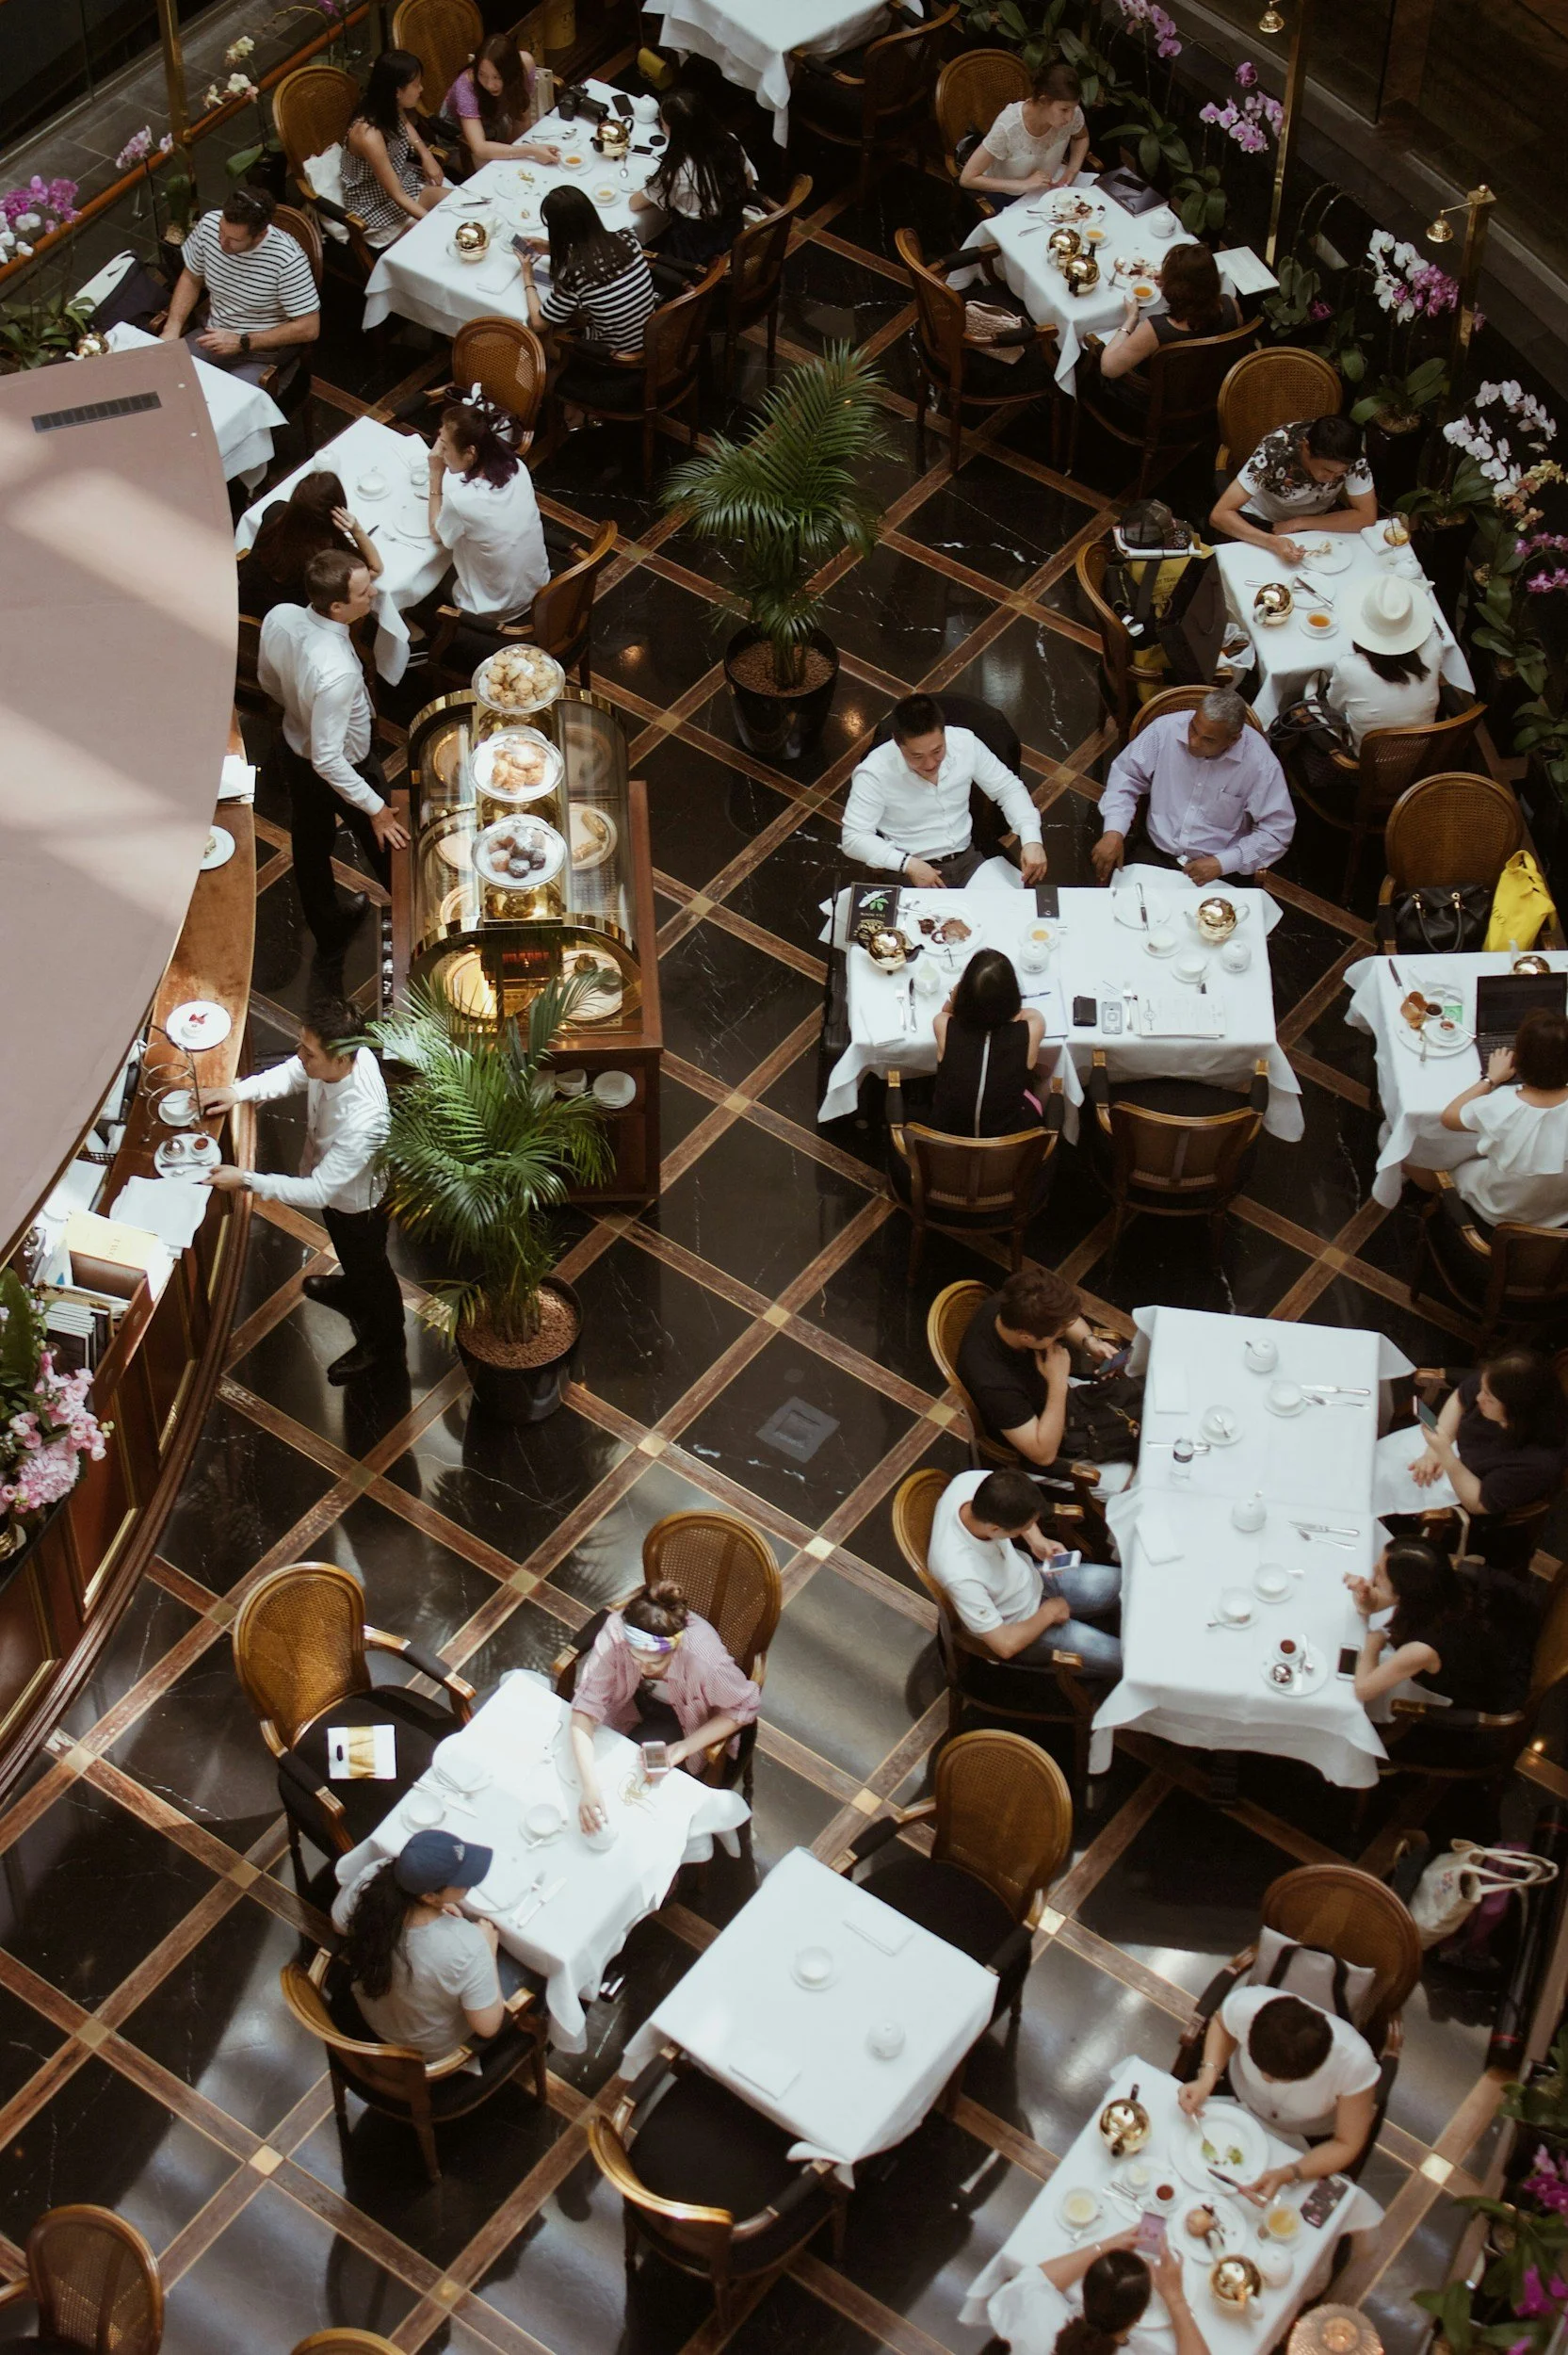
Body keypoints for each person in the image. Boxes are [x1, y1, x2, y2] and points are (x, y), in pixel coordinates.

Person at [204, 996, 405, 1384]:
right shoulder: (333, 1060)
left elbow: (317, 1192)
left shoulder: (364, 1121)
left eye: (308, 1052)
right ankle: (352, 1289)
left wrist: (245, 1179)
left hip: (358, 1205)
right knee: (352, 1256)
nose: (300, 1056)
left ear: (342, 1058)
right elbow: (293, 1073)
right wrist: (237, 1092)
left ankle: (385, 1340)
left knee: (371, 1266)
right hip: (335, 1192)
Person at [257, 550, 411, 955]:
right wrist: (374, 807)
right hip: (349, 766)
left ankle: (329, 929)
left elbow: (268, 681)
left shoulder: (280, 616)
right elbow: (329, 759)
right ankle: (416, 927)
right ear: (337, 606)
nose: (373, 594)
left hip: (295, 750)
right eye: (363, 592)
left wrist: (299, 710)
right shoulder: (338, 671)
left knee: (309, 846)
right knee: (391, 849)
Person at [568, 1581, 761, 1835]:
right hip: (628, 1703)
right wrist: (589, 1787)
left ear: (675, 1648)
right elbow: (585, 1707)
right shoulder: (617, 1633)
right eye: (634, 1658)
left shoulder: (704, 1661)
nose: (642, 1668)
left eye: (655, 1662)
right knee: (597, 1772)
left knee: (643, 1799)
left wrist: (684, 1747)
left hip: (688, 1720)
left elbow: (743, 1707)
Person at [331, 1831, 518, 2064]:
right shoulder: (466, 1945)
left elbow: (339, 1925)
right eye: (462, 1882)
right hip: (422, 2052)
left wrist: (437, 1907)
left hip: (371, 2012)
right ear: (428, 1896)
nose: (468, 1883)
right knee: (517, 1970)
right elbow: (487, 2027)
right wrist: (488, 1952)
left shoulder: (375, 1875)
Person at [1177, 1988, 1379, 2195]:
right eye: (1260, 2068)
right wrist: (1206, 2078)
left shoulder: (1353, 2064)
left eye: (1278, 2078)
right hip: (1238, 2103)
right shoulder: (1249, 2006)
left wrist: (1289, 2173)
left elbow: (1346, 2143)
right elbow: (1222, 2025)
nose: (1266, 2079)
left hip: (1301, 2138)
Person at [929, 1467, 1122, 1675]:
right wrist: (1048, 1613)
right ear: (995, 1529)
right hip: (1022, 1626)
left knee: (1130, 1583)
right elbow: (1004, 1645)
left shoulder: (974, 1483)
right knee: (1124, 1658)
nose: (1027, 1529)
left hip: (1034, 1578)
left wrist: (1037, 1540)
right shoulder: (960, 1574)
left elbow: (1017, 1507)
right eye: (1023, 1528)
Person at [1093, 688, 1295, 885]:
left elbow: (1277, 832)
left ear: (1233, 739)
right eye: (1193, 728)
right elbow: (1126, 774)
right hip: (1155, 850)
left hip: (1217, 868)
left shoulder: (1261, 764)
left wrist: (1224, 863)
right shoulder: (1164, 730)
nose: (1193, 742)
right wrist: (1114, 831)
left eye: (1208, 739)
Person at [843, 693, 1048, 885]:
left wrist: (1031, 838)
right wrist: (908, 864)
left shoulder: (965, 742)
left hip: (970, 859)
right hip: (911, 870)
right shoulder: (873, 772)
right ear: (898, 743)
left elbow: (1007, 788)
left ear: (944, 733)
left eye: (937, 750)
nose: (931, 763)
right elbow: (854, 838)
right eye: (917, 756)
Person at [955, 1268, 1119, 1469]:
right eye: (1057, 1335)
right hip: (1034, 1439)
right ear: (1027, 1338)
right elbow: (1043, 1455)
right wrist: (1057, 1382)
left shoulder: (1017, 1303)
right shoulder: (994, 1385)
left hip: (1052, 1397)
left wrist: (1090, 1342)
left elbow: (1067, 1320)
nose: (1061, 1335)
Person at [159, 185, 319, 383]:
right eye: (221, 232)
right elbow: (192, 278)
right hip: (212, 336)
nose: (222, 243)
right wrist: (173, 327)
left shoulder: (287, 261)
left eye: (234, 240)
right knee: (161, 379)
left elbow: (309, 327)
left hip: (261, 356)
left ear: (259, 235)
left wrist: (243, 341)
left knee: (217, 407)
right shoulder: (209, 224)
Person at [519, 187, 660, 412]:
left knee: (543, 338)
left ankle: (567, 406)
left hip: (616, 359)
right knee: (575, 313)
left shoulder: (575, 275)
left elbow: (538, 323)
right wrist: (551, 249)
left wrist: (528, 277)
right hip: (650, 337)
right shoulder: (628, 238)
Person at [1345, 1537, 1523, 1713]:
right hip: (1497, 1654)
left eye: (1380, 1574)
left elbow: (1363, 1690)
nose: (1373, 1575)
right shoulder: (1440, 1586)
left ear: (1406, 1589)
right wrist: (1364, 1595)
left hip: (1476, 1699)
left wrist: (1374, 1642)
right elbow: (1374, 1604)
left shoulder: (1424, 1647)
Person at [1433, 1011, 1568, 1228]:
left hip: (1500, 1212)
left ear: (1518, 1059)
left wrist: (1491, 1078)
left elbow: (1449, 1117)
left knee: (1441, 1157)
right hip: (1560, 1214)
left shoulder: (1502, 1105)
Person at [1402, 1352, 1568, 1526]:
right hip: (1450, 1445)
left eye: (1489, 1398)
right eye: (1482, 1388)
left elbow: (1478, 1503)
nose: (1479, 1397)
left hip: (1468, 1486)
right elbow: (1460, 1397)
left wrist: (1446, 1456)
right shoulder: (1496, 1381)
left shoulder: (1537, 1463)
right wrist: (1433, 1452)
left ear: (1515, 1412)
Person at [425, 399, 549, 624]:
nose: (439, 452)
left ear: (470, 452)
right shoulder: (517, 468)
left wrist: (435, 476)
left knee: (425, 577)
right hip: (538, 587)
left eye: (444, 446)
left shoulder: (464, 501)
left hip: (495, 607)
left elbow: (436, 534)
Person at [985, 2233, 1212, 2355]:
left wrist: (1106, 2246)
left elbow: (1035, 2278)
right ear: (1139, 2316)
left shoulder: (1039, 2311)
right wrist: (1175, 2297)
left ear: (1084, 2291)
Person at [1210, 414, 1377, 561]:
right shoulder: (1275, 450)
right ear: (1306, 448)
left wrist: (1300, 523)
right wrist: (1272, 542)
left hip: (1315, 520)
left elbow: (1367, 516)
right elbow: (1219, 515)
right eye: (1327, 470)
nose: (1333, 479)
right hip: (1261, 520)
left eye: (1342, 473)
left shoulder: (1350, 455)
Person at [1094, 242, 1242, 402]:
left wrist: (1130, 320)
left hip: (1160, 401)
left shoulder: (1156, 330)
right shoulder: (1231, 306)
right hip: (1208, 389)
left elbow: (1108, 368)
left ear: (1176, 288)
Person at [630, 86, 756, 266]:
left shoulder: (677, 172)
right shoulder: (729, 142)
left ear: (673, 130)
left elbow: (635, 204)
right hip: (732, 229)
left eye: (663, 123)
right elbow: (748, 183)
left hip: (695, 251)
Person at [930, 948, 1046, 1135]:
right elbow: (1031, 1014)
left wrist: (954, 995)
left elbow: (946, 1012)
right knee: (1040, 1077)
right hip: (1009, 1142)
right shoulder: (1032, 1029)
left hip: (948, 1137)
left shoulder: (943, 1025)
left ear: (964, 996)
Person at [238, 469, 382, 619]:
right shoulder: (328, 557)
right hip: (289, 624)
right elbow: (375, 568)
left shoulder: (275, 511)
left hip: (244, 607)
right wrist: (356, 530)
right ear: (336, 513)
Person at [342, 50, 449, 247]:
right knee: (435, 242)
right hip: (376, 204)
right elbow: (396, 194)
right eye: (416, 85)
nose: (421, 89)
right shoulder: (369, 136)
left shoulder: (389, 105)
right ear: (397, 91)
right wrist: (433, 224)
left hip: (400, 181)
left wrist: (425, 155)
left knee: (456, 203)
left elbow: (404, 124)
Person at [1321, 576, 1442, 750]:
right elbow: (1430, 626)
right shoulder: (1433, 648)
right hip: (1421, 751)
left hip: (1370, 760)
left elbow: (1334, 705)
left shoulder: (1350, 668)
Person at [959, 60, 1090, 203]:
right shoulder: (1009, 125)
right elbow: (968, 178)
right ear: (1043, 101)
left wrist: (1072, 171)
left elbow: (1081, 137)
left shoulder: (1071, 113)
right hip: (1007, 196)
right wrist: (1023, 184)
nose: (1070, 117)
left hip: (1049, 189)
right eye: (1064, 110)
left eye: (1073, 109)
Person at [444, 33, 558, 168]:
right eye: (482, 74)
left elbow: (521, 117)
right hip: (457, 136)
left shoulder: (524, 64)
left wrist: (520, 150)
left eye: (497, 77)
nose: (489, 84)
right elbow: (479, 148)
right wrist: (530, 150)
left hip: (495, 120)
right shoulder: (465, 87)